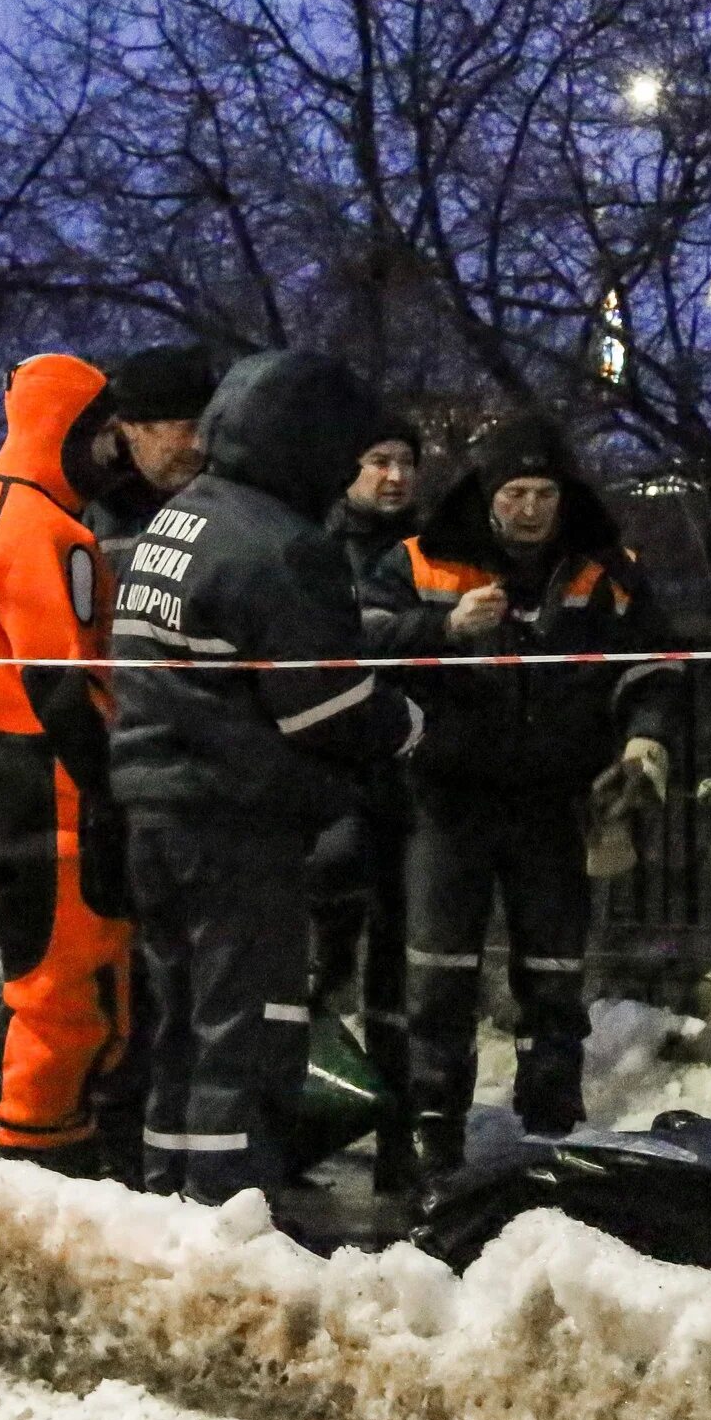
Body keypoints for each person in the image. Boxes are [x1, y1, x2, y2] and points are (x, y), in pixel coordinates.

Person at [108, 350, 423, 1203]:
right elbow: (323, 708)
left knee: (178, 1028)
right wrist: (408, 721)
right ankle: (229, 1212)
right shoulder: (282, 548)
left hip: (155, 811)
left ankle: (166, 1197)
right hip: (238, 824)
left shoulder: (173, 525)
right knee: (246, 1031)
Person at [363, 414, 678, 1174]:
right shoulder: (419, 562)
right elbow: (360, 642)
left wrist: (644, 740)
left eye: (544, 492)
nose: (530, 508)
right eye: (515, 492)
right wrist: (443, 628)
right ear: (487, 494)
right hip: (447, 797)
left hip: (556, 801)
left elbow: (658, 663)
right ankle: (434, 1127)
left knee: (555, 972)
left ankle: (551, 1127)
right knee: (437, 970)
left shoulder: (607, 570)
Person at [0, 353, 136, 1173]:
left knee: (34, 974)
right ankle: (45, 1165)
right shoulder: (54, 534)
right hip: (57, 788)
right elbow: (62, 681)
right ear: (72, 428)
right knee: (70, 993)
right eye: (107, 434)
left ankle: (33, 1153)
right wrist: (110, 783)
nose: (115, 453)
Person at [311, 417, 426, 1190]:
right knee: (313, 964)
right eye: (377, 460)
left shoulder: (429, 551)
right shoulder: (315, 546)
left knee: (400, 970)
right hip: (330, 781)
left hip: (411, 785)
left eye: (405, 462)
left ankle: (396, 1133)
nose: (393, 476)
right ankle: (304, 1111)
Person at [89, 343, 224, 577]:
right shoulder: (86, 514)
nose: (199, 445)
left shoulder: (229, 495)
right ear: (131, 428)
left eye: (206, 427)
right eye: (187, 429)